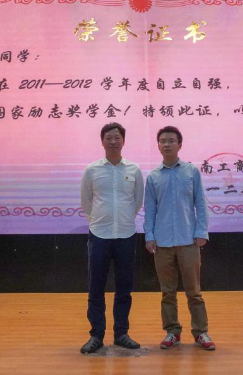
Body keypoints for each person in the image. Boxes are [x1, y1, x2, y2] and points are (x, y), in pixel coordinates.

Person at [144, 125, 216, 351]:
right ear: (158, 145)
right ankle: (172, 332)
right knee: (167, 292)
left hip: (188, 240)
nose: (167, 144)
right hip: (162, 242)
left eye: (171, 141)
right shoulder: (153, 177)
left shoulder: (191, 171)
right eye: (163, 141)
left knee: (194, 291)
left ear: (180, 145)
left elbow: (200, 204)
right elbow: (150, 210)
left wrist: (201, 232)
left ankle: (201, 332)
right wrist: (149, 236)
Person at [79, 122, 144, 354]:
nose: (113, 141)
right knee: (96, 286)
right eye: (109, 137)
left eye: (117, 137)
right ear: (102, 141)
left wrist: (123, 219)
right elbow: (86, 201)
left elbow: (137, 201)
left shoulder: (134, 170)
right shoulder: (92, 170)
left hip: (126, 234)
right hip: (99, 235)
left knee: (124, 287)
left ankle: (121, 333)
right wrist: (97, 221)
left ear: (123, 141)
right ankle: (96, 335)